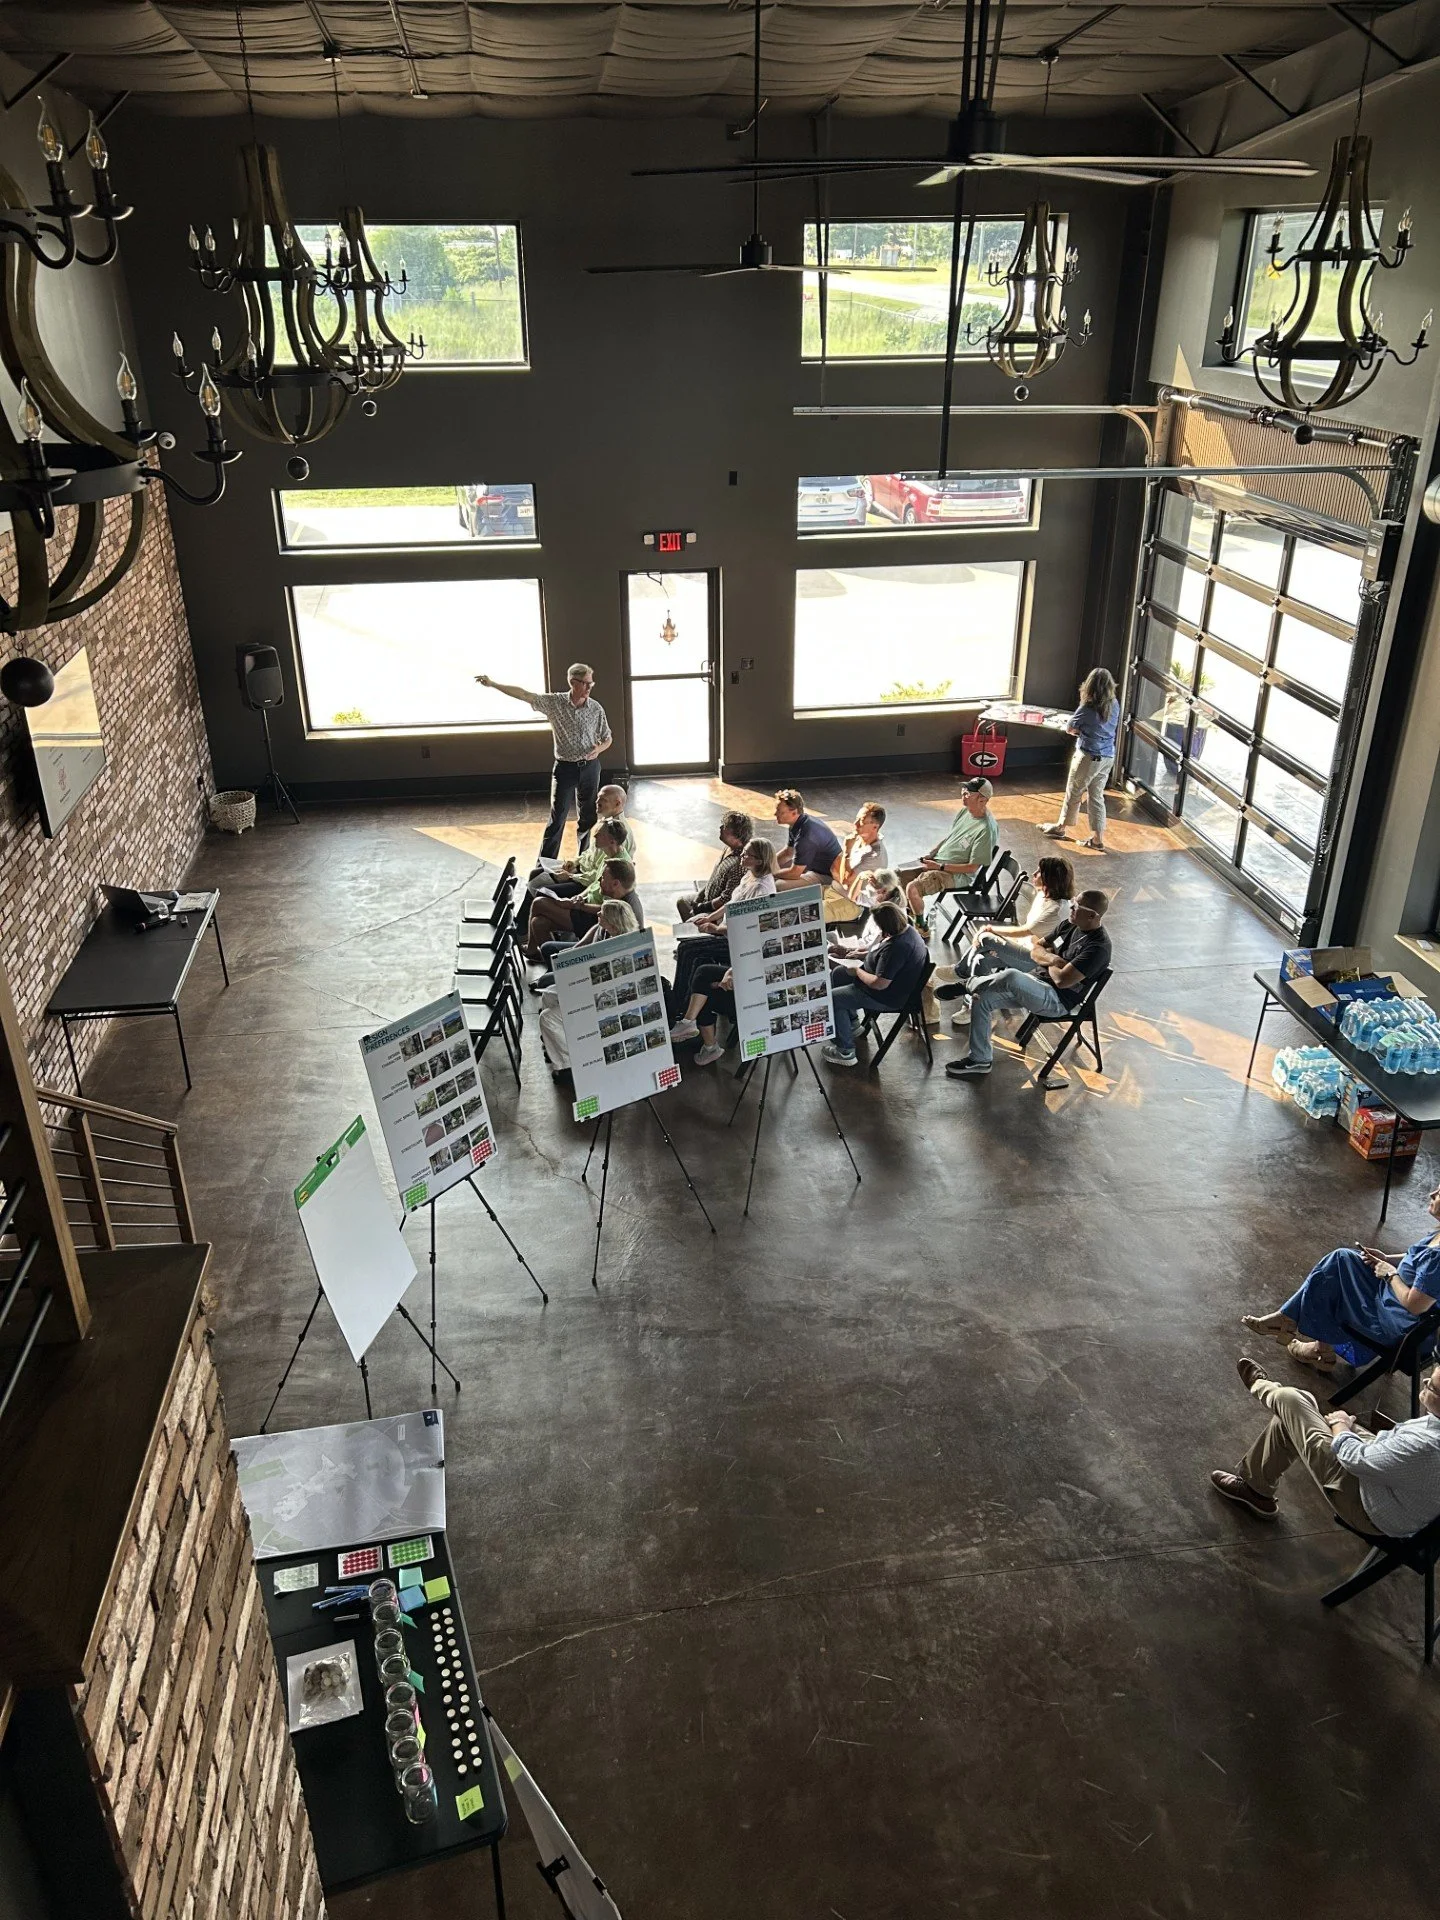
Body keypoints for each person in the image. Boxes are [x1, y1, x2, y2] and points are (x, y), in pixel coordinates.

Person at [1210, 1355, 1440, 1534]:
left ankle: (1261, 1386)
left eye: (1433, 1387)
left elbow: (1355, 1459)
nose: (1425, 1381)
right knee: (1296, 1417)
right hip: (1397, 1495)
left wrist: (1341, 1425)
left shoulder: (1426, 1446)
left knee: (1291, 1400)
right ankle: (1255, 1490)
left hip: (1366, 1506)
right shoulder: (1433, 1431)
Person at [1240, 1189, 1440, 1373]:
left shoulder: (1438, 1258)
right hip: (1394, 1301)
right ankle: (1296, 1328)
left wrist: (1390, 1274)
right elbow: (1416, 1259)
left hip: (1399, 1324)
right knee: (1342, 1259)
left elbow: (1415, 1305)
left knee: (1336, 1280)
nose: (1432, 1193)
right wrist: (1387, 1259)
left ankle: (1304, 1337)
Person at [945, 888, 1112, 1079]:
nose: (1071, 907)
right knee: (981, 998)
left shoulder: (1098, 948)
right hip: (1037, 982)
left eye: (1076, 906)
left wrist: (1046, 958)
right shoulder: (1070, 925)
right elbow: (1036, 948)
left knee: (1012, 976)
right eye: (1073, 902)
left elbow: (1062, 981)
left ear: (1092, 916)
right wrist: (1053, 958)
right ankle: (980, 1060)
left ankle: (969, 983)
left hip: (1057, 1000)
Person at [476, 662, 612, 859]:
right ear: (573, 682)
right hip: (565, 770)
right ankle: (545, 864)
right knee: (557, 818)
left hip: (590, 769)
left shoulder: (596, 708)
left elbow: (608, 738)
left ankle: (584, 860)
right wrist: (493, 684)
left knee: (588, 818)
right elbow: (524, 695)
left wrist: (599, 749)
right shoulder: (554, 703)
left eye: (592, 683)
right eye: (586, 683)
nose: (590, 687)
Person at [933, 856, 1074, 1008]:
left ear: (1051, 879)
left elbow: (1025, 930)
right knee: (981, 960)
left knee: (986, 938)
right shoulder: (1043, 895)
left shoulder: (1056, 909)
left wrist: (990, 929)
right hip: (1023, 946)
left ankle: (961, 972)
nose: (1034, 874)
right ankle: (971, 1004)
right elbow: (1028, 933)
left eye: (1039, 872)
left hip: (1034, 958)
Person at [669, 839, 778, 1036]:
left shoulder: (762, 890)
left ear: (759, 860)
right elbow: (732, 904)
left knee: (689, 950)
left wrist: (715, 929)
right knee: (688, 946)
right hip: (726, 932)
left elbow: (746, 927)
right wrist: (709, 917)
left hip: (737, 942)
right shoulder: (749, 875)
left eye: (747, 854)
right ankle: (681, 1004)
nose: (742, 856)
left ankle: (680, 1009)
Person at [822, 903, 930, 1068]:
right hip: (884, 981)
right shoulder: (908, 930)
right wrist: (861, 954)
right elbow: (881, 953)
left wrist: (857, 971)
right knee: (838, 974)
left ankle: (845, 1051)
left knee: (832, 1000)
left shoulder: (898, 948)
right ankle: (852, 1024)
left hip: (884, 996)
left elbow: (879, 984)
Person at [539, 900, 638, 1077]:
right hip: (588, 987)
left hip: (605, 998)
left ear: (612, 921)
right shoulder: (603, 931)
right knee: (548, 995)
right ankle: (561, 1042)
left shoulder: (624, 945)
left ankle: (567, 1066)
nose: (598, 914)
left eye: (602, 913)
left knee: (547, 1018)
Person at [522, 818, 628, 960]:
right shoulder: (608, 856)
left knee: (538, 903)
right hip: (583, 904)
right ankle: (555, 964)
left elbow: (609, 909)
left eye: (600, 834)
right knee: (538, 923)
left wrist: (579, 906)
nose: (595, 836)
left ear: (612, 841)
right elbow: (593, 885)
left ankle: (532, 949)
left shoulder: (618, 868)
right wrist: (579, 897)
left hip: (592, 917)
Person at [899, 778, 999, 924]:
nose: (963, 794)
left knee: (912, 888)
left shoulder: (986, 830)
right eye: (964, 790)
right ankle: (910, 918)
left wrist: (939, 867)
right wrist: (933, 853)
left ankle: (922, 928)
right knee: (898, 876)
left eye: (968, 793)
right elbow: (951, 837)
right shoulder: (965, 812)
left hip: (956, 875)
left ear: (982, 800)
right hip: (939, 862)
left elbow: (972, 868)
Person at [1042, 667, 1120, 851]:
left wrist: (1082, 731)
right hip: (1108, 756)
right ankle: (1097, 839)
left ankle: (1061, 827)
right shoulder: (1114, 704)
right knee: (1096, 796)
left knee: (1074, 791)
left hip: (1088, 756)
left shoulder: (1087, 708)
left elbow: (1070, 728)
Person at [526, 856, 643, 963]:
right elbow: (597, 928)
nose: (599, 881)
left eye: (603, 878)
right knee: (538, 923)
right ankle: (553, 966)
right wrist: (575, 949)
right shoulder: (618, 896)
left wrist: (575, 956)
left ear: (615, 883)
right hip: (593, 937)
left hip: (597, 954)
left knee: (539, 904)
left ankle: (546, 960)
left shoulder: (625, 908)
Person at [677, 810, 752, 921]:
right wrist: (698, 899)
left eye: (725, 826)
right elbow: (714, 878)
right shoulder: (728, 848)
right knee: (682, 901)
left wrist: (700, 907)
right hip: (708, 899)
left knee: (691, 922)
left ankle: (696, 929)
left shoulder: (740, 863)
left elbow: (726, 899)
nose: (721, 827)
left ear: (737, 833)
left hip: (717, 912)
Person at [824, 802, 890, 924]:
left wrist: (847, 852)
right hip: (834, 888)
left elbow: (845, 881)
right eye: (856, 819)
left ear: (875, 827)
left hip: (851, 903)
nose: (855, 824)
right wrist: (843, 875)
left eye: (861, 821)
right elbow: (834, 868)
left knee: (803, 915)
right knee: (796, 898)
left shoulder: (874, 855)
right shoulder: (858, 838)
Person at [773, 789, 842, 892]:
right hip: (812, 865)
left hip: (826, 875)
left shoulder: (806, 835)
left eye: (780, 812)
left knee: (778, 886)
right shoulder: (798, 823)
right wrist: (766, 865)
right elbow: (788, 853)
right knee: (776, 870)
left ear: (794, 812)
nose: (775, 814)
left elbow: (795, 873)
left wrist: (771, 874)